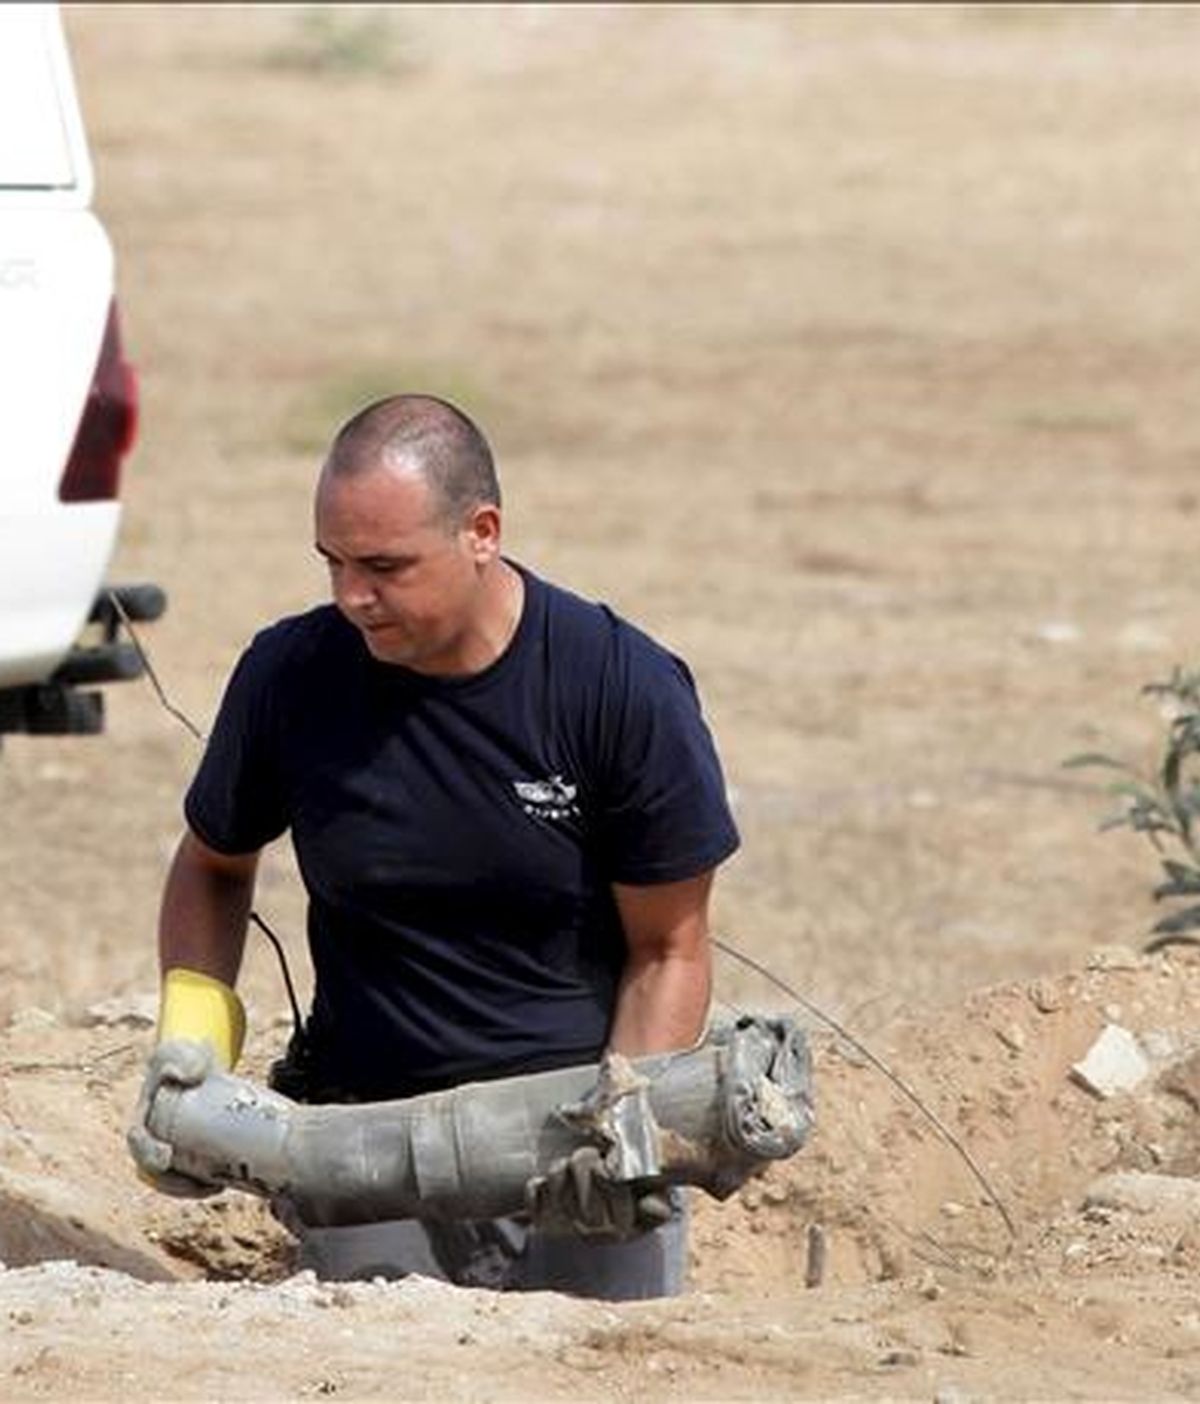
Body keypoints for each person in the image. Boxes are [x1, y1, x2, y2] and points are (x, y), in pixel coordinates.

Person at [128, 394, 740, 1299]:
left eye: (384, 566)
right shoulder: (292, 676)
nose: (351, 598)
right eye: (332, 563)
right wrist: (192, 1048)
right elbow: (215, 866)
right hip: (365, 1141)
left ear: (481, 533)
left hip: (566, 1135)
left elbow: (669, 947)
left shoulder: (619, 688)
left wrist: (624, 1133)